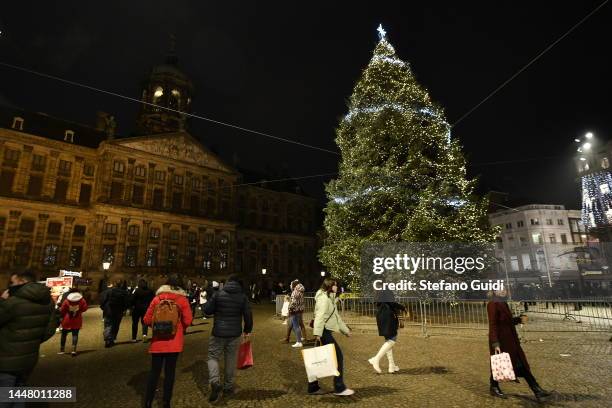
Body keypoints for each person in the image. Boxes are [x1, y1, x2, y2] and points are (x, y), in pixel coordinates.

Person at [0, 271, 58, 398]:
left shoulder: (12, 302)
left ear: (22, 282)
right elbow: (50, 329)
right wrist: (32, 341)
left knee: (4, 396)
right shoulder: (47, 301)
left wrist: (2, 300)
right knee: (18, 393)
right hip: (29, 359)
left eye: (12, 282)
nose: (10, 285)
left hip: (5, 360)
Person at [488, 289, 552, 401]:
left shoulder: (503, 302)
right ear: (494, 291)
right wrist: (495, 342)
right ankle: (536, 389)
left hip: (510, 340)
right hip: (502, 340)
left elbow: (506, 321)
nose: (502, 291)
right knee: (511, 363)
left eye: (504, 289)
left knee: (512, 363)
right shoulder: (493, 303)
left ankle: (536, 390)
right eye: (499, 289)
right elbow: (493, 324)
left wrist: (518, 320)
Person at [143, 274, 192, 408]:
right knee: (169, 373)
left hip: (158, 342)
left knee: (154, 372)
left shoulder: (157, 298)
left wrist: (158, 326)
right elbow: (188, 320)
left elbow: (146, 320)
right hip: (174, 342)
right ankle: (166, 402)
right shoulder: (182, 299)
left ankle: (147, 402)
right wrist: (178, 326)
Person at [204, 274, 253, 404]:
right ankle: (228, 387)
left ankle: (214, 381)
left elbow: (207, 311)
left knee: (213, 356)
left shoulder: (218, 294)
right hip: (235, 333)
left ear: (227, 282)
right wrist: (247, 330)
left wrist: (212, 298)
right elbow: (248, 315)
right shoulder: (242, 297)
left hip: (218, 332)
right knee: (231, 359)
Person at [308, 278, 354, 396]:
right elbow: (320, 316)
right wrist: (317, 334)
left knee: (318, 359)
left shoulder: (330, 299)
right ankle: (339, 387)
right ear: (330, 286)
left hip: (324, 331)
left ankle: (313, 387)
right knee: (338, 357)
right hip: (323, 332)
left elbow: (336, 318)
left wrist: (346, 331)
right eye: (335, 285)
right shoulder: (324, 299)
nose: (337, 287)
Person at [368, 289, 405, 373]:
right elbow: (392, 303)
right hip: (388, 316)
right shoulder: (386, 290)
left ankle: (391, 366)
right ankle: (376, 359)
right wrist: (402, 307)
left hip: (381, 316)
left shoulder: (377, 292)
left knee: (388, 340)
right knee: (392, 339)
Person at [99, 281, 129, 348]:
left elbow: (102, 300)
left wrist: (103, 308)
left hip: (108, 311)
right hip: (119, 311)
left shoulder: (108, 291)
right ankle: (113, 338)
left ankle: (107, 339)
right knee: (116, 325)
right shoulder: (124, 292)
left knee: (108, 325)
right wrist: (124, 309)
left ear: (114, 285)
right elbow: (127, 302)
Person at [59, 289, 88, 356]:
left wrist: (62, 315)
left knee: (64, 334)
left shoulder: (67, 300)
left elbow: (62, 310)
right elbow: (85, 308)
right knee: (75, 334)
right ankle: (73, 350)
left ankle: (62, 350)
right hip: (77, 319)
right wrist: (79, 310)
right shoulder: (82, 300)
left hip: (67, 319)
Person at [282, 279, 307, 347]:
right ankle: (299, 338)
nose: (290, 285)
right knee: (292, 325)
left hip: (294, 311)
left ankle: (299, 341)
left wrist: (290, 309)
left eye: (291, 284)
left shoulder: (295, 292)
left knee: (296, 326)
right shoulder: (300, 291)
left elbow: (293, 302)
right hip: (299, 310)